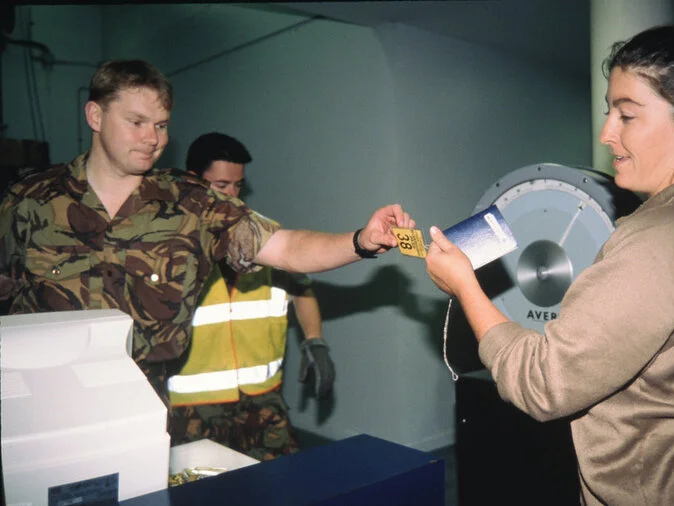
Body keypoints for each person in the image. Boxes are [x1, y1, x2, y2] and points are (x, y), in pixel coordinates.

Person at [426, 12, 674, 506]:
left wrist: (465, 286)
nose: (607, 133)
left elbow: (542, 384)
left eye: (627, 115)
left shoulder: (659, 239)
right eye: (610, 111)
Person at [0, 59, 413, 403]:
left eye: (161, 125)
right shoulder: (28, 201)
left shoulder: (190, 202)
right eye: (137, 122)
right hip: (42, 399)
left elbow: (288, 248)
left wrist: (361, 240)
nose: (152, 139)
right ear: (95, 115)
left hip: (142, 400)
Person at [167, 132, 334, 461]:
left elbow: (301, 287)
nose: (232, 195)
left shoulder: (263, 235)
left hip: (263, 399)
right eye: (221, 185)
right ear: (193, 180)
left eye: (238, 185)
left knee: (281, 488)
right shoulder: (168, 243)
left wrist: (315, 341)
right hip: (194, 408)